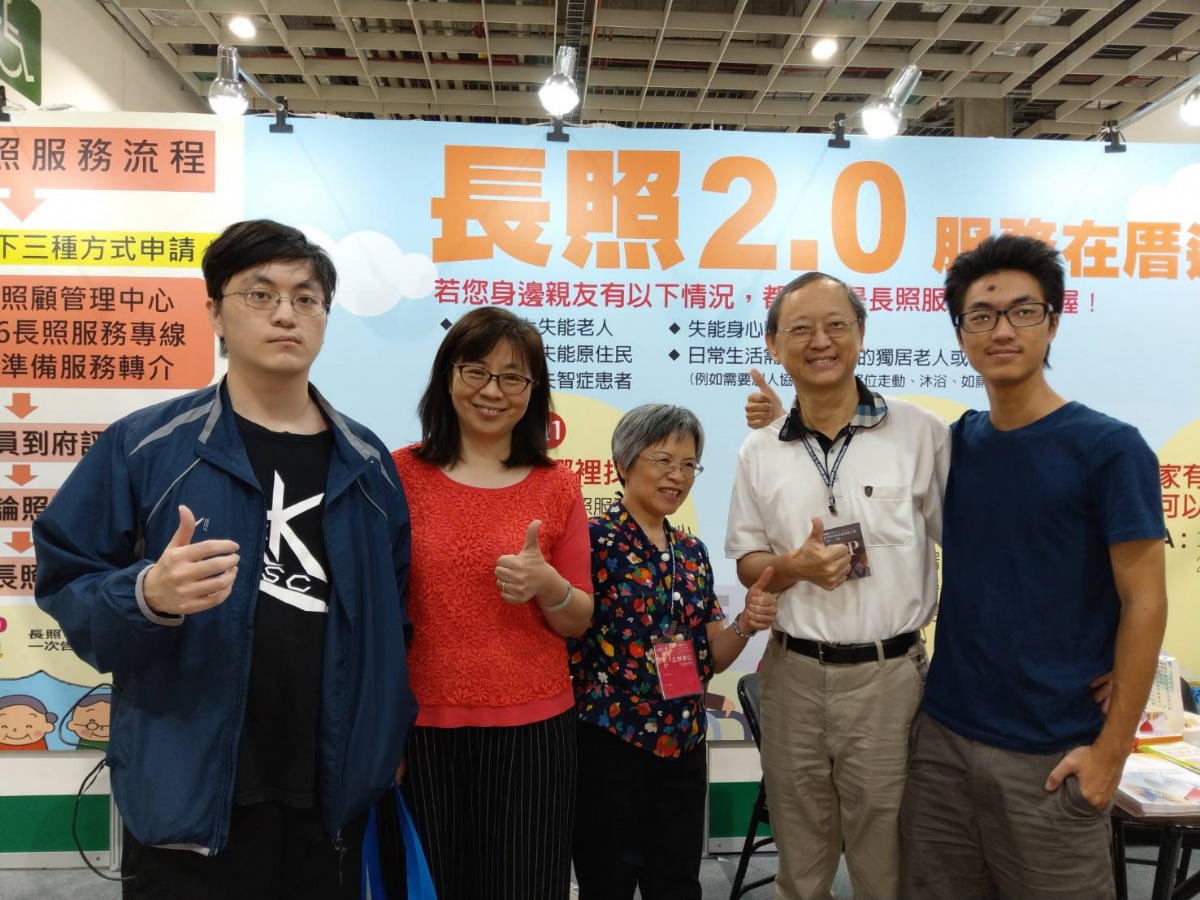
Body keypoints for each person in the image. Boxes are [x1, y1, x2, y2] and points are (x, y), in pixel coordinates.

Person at [32, 219, 416, 899]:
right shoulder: (147, 447)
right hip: (189, 791)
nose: (285, 314)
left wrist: (383, 743)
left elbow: (394, 617)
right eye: (260, 295)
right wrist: (147, 597)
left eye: (306, 298)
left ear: (325, 317)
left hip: (330, 796)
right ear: (213, 312)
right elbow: (67, 578)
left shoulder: (368, 465)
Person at [899, 234, 1168, 899]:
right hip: (943, 743)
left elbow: (1146, 601)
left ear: (1053, 321)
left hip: (1052, 753)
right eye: (982, 315)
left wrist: (1111, 753)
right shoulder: (958, 444)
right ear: (960, 333)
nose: (1002, 330)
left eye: (1023, 311)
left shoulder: (1108, 448)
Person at [726, 271, 949, 899]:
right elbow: (747, 562)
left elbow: (967, 546)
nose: (820, 341)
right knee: (800, 863)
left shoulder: (920, 433)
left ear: (861, 333)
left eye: (835, 325)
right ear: (774, 345)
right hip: (791, 676)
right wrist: (794, 567)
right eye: (800, 329)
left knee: (887, 865)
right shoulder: (759, 450)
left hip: (888, 680)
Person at [392, 306, 594, 900]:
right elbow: (379, 612)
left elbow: (578, 620)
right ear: (447, 376)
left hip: (534, 731)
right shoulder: (399, 474)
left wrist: (549, 586)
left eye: (513, 377)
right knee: (429, 885)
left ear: (534, 391)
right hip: (422, 727)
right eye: (475, 371)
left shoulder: (557, 485)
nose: (492, 391)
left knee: (524, 885)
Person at [569, 404, 777, 900]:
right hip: (611, 744)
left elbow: (712, 656)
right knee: (607, 884)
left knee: (678, 884)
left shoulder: (692, 551)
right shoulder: (592, 541)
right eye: (662, 460)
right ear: (623, 463)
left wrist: (746, 623)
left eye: (688, 465)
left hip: (682, 742)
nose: (677, 476)